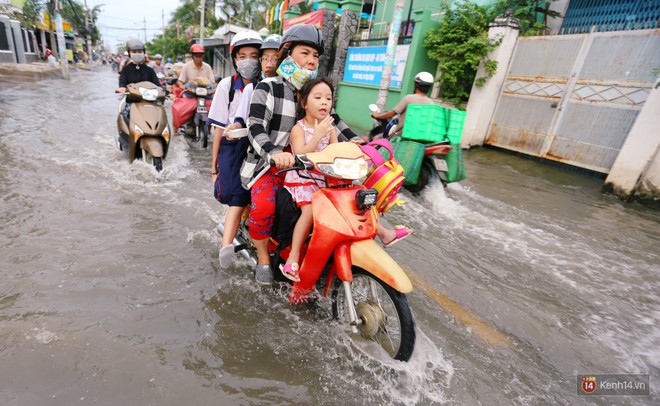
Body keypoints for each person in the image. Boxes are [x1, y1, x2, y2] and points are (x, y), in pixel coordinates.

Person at [240, 24, 361, 284]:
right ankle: (263, 257)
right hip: (270, 164)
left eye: (315, 56)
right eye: (305, 53)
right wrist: (273, 152)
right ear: (288, 54)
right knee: (264, 206)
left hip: (311, 165)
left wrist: (359, 143)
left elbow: (335, 122)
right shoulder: (268, 87)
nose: (311, 61)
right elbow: (255, 126)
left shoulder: (314, 90)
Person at [207, 31, 263, 268]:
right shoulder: (227, 86)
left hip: (261, 144)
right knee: (235, 193)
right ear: (235, 59)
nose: (248, 60)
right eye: (243, 56)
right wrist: (214, 168)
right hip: (233, 143)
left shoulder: (269, 85)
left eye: (254, 55)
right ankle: (228, 241)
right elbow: (219, 129)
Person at [280, 78, 338, 281]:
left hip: (323, 178)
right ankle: (293, 258)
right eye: (318, 97)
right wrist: (317, 134)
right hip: (302, 177)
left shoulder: (330, 127)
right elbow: (300, 155)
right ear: (304, 103)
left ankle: (383, 233)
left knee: (356, 195)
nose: (324, 102)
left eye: (328, 98)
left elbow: (335, 152)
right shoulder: (299, 128)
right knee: (310, 210)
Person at [369, 71, 435, 137]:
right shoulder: (431, 103)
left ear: (416, 84)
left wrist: (377, 116)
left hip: (401, 137)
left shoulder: (409, 98)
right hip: (420, 137)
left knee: (376, 138)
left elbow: (391, 114)